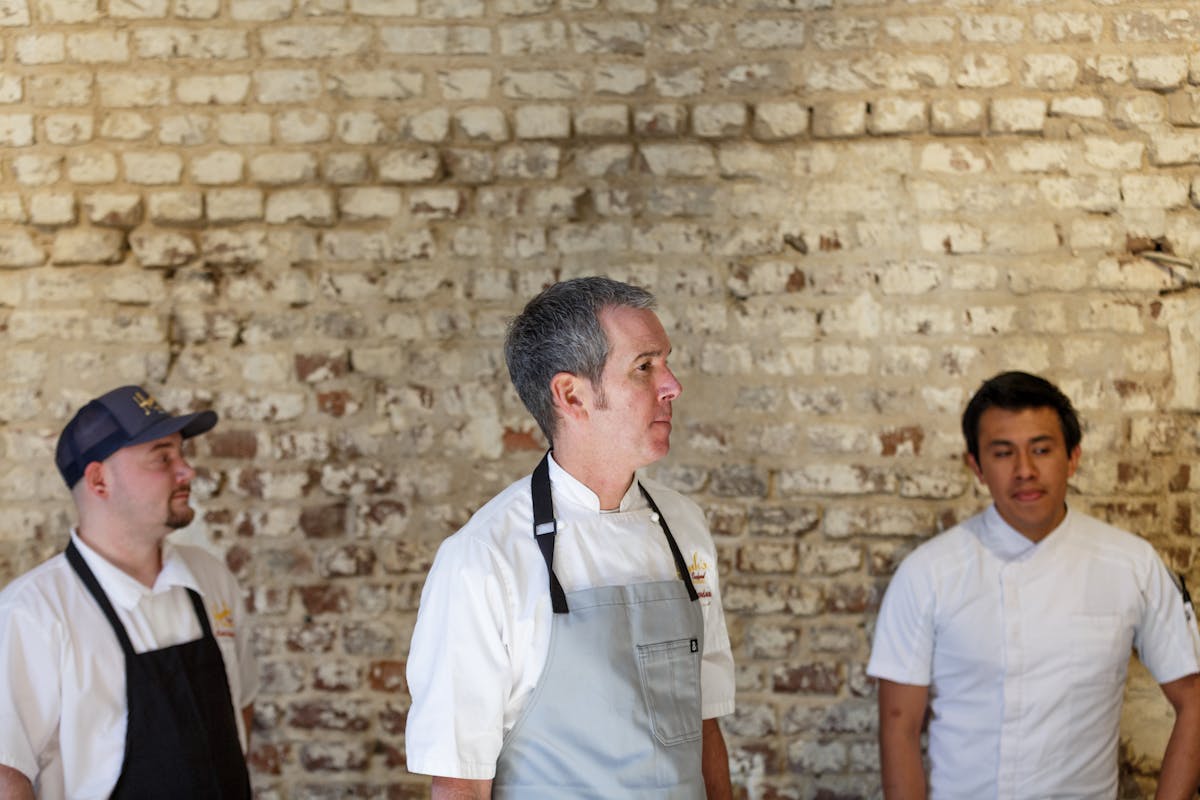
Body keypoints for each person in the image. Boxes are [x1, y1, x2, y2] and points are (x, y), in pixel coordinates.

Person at [405, 277, 736, 798]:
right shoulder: (482, 560)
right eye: (644, 367)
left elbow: (705, 724)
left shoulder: (684, 526)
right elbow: (458, 782)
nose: (671, 385)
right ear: (571, 395)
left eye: (665, 363)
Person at [868, 370, 1200, 798]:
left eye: (1041, 450)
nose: (1025, 470)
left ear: (1073, 456)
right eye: (1003, 453)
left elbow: (1193, 699)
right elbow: (899, 724)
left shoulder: (1130, 564)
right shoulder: (928, 573)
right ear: (977, 466)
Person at [0, 385, 257, 799]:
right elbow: (6, 776)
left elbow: (241, 708)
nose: (186, 470)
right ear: (100, 480)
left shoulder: (210, 578)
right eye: (162, 457)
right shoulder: (33, 612)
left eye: (181, 453)